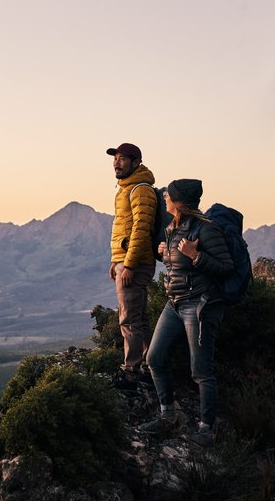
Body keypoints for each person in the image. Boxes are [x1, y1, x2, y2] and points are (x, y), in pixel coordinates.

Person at [142, 178, 233, 448]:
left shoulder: (206, 230)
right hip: (175, 303)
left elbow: (226, 266)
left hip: (201, 305)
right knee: (155, 358)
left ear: (180, 201)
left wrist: (196, 256)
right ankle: (167, 416)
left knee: (201, 371)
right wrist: (163, 253)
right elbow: (176, 265)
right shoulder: (173, 227)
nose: (165, 196)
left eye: (169, 194)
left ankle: (207, 430)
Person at [106, 142, 158, 391]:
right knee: (139, 318)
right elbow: (126, 228)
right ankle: (150, 366)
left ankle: (130, 373)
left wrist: (127, 265)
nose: (117, 162)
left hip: (135, 265)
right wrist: (115, 261)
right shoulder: (126, 189)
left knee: (129, 319)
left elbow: (140, 230)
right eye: (115, 158)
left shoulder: (140, 190)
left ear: (136, 162)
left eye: (123, 159)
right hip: (126, 262)